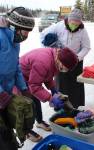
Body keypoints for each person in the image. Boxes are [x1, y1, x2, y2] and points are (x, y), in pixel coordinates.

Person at [17, 47, 78, 142]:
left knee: (36, 100)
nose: (65, 71)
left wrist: (53, 89)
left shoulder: (55, 59)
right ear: (60, 61)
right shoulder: (43, 62)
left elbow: (47, 75)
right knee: (27, 105)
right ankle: (26, 131)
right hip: (20, 76)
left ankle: (39, 122)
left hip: (32, 76)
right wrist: (50, 98)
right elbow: (34, 86)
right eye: (65, 68)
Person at [41, 8, 91, 108]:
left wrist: (78, 57)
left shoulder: (82, 30)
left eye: (77, 23)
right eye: (73, 22)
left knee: (75, 85)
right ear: (68, 19)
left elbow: (86, 47)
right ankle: (60, 106)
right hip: (60, 61)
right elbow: (43, 36)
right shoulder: (58, 26)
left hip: (76, 61)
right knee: (61, 84)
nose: (74, 24)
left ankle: (75, 105)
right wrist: (49, 50)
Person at [0, 7, 35, 149]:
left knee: (8, 130)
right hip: (1, 93)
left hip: (6, 95)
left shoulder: (15, 41)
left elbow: (16, 67)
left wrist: (24, 88)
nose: (26, 35)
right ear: (14, 27)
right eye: (25, 31)